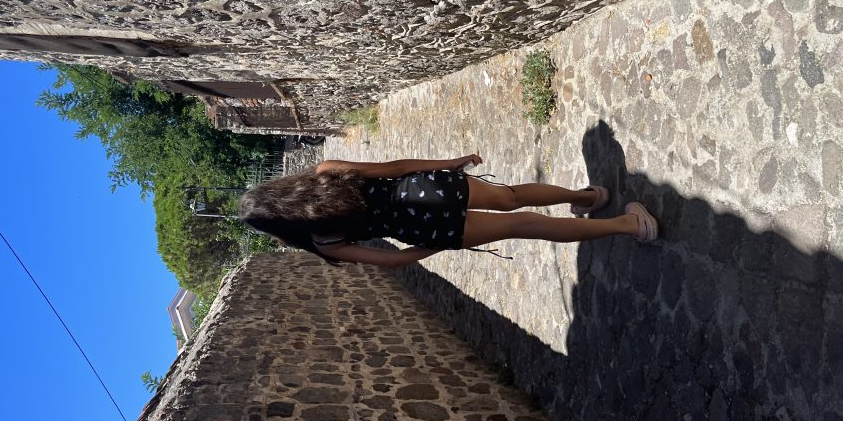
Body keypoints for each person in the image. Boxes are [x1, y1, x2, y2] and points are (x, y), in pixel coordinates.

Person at [238, 154, 658, 268]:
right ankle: (586, 197)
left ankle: (629, 225)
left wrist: (439, 244)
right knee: (511, 196)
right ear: (280, 190)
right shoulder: (326, 173)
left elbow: (394, 261)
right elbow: (396, 168)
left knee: (524, 225)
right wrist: (449, 163)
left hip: (424, 228)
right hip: (424, 189)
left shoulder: (323, 241)